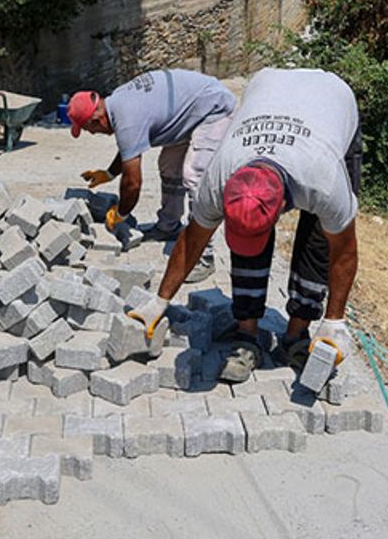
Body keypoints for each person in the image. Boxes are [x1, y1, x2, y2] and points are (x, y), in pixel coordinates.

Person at [138, 68, 363, 382]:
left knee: (319, 238)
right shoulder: (218, 177)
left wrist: (334, 320)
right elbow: (192, 241)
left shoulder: (323, 180)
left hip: (331, 98)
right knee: (247, 241)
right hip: (268, 86)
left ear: (281, 208)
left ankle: (296, 335)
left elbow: (343, 251)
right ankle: (246, 336)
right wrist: (158, 301)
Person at [68, 68, 236, 283]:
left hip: (213, 109)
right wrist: (109, 173)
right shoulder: (116, 103)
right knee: (169, 166)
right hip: (189, 112)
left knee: (194, 175)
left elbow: (133, 184)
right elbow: (129, 147)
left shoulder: (126, 117)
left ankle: (203, 256)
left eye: (88, 129)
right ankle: (169, 227)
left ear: (97, 120)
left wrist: (121, 213)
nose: (92, 134)